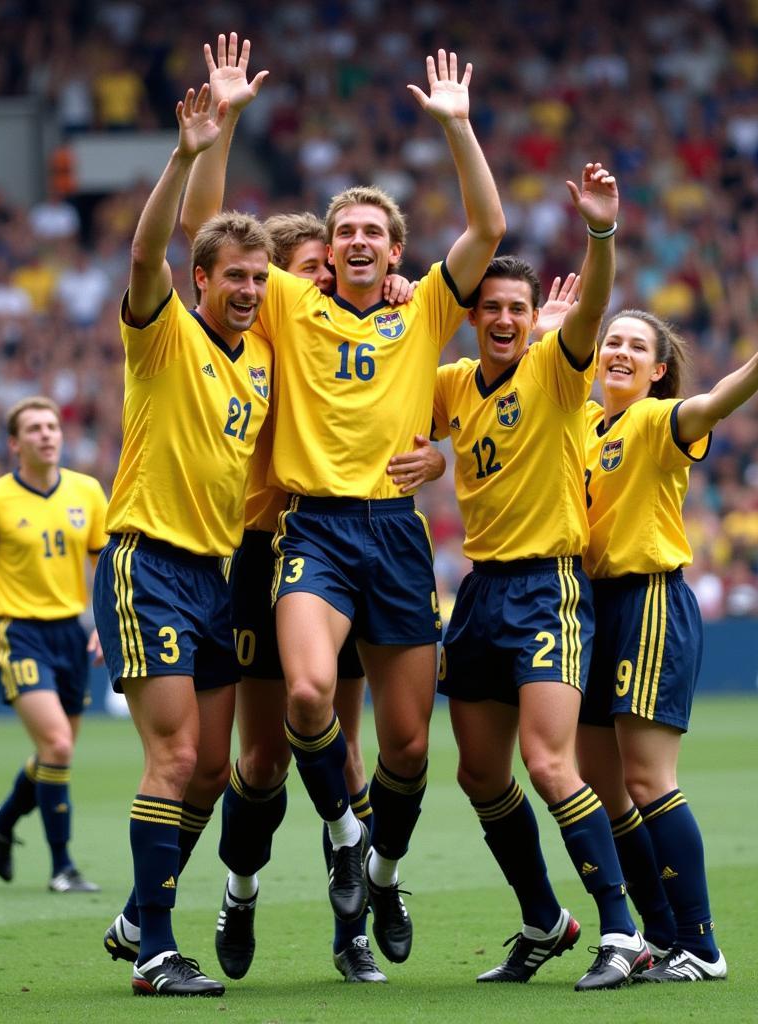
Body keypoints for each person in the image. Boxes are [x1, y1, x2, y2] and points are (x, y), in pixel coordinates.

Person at [182, 35, 505, 968]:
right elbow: (210, 227)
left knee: (405, 751)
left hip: (394, 537)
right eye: (343, 233)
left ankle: (376, 886)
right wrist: (229, 119)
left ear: (395, 249)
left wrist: (458, 126)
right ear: (322, 255)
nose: (357, 245)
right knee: (294, 716)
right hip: (300, 528)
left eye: (372, 233)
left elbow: (485, 231)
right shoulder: (284, 304)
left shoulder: (423, 309)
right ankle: (327, 855)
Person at [208, 210, 446, 984]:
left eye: (326, 264)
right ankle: (238, 893)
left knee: (345, 752)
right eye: (307, 266)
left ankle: (351, 931)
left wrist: (434, 459)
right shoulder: (264, 337)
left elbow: (410, 407)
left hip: (352, 549)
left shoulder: (354, 329)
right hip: (266, 549)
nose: (322, 277)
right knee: (262, 756)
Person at [433, 166, 653, 991]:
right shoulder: (453, 385)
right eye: (488, 306)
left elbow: (591, 309)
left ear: (533, 322)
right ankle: (541, 918)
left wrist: (600, 234)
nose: (501, 319)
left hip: (547, 591)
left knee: (551, 763)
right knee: (480, 773)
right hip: (480, 591)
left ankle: (622, 933)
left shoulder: (558, 370)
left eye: (516, 310)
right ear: (472, 315)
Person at [576, 286, 758, 982]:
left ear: (657, 370)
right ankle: (657, 935)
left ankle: (702, 946)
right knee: (598, 778)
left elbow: (713, 403)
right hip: (593, 608)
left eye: (635, 345)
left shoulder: (658, 420)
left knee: (649, 778)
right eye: (612, 341)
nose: (619, 351)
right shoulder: (583, 424)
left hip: (649, 600)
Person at [91, 83, 275, 998]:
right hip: (148, 564)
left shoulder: (261, 372)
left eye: (257, 279)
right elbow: (141, 249)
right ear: (199, 280)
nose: (247, 290)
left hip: (216, 578)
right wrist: (190, 150)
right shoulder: (162, 335)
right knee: (170, 759)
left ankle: (136, 914)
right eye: (233, 277)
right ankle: (158, 951)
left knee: (210, 769)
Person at [0, 396, 107, 894]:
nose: (47, 434)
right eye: (35, 428)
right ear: (15, 443)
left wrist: (105, 622)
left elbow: (103, 561)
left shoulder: (87, 491)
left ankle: (4, 818)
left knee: (55, 754)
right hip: (19, 633)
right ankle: (63, 867)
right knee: (57, 745)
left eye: (53, 426)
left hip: (70, 633)